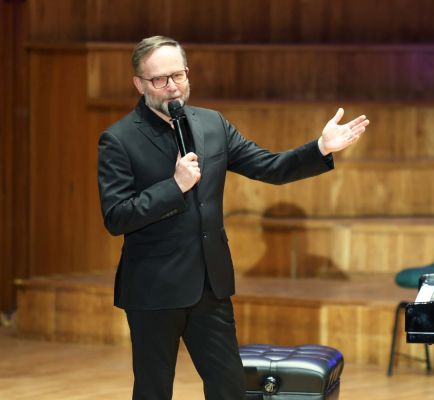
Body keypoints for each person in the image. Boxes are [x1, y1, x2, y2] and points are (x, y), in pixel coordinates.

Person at [97, 35, 369, 400]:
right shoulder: (119, 139)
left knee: (228, 389)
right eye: (159, 79)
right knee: (153, 390)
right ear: (139, 83)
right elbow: (117, 216)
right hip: (153, 289)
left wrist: (320, 148)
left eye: (178, 75)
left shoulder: (212, 125)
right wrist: (174, 186)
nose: (172, 86)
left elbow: (269, 167)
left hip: (210, 286)